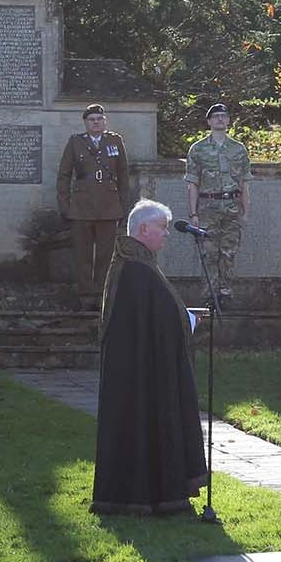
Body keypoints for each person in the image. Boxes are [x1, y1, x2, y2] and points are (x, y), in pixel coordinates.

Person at [91, 200, 208, 515]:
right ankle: (149, 496)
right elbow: (159, 316)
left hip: (140, 364)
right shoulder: (136, 269)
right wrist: (189, 320)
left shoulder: (137, 264)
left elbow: (155, 313)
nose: (166, 235)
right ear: (143, 229)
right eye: (162, 228)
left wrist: (182, 315)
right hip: (139, 368)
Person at [57, 104, 131, 297]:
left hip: (109, 207)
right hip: (82, 207)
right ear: (85, 123)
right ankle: (85, 295)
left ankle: (101, 295)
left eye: (99, 119)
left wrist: (123, 207)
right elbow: (64, 175)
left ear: (105, 121)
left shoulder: (115, 141)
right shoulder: (75, 142)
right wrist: (65, 205)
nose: (96, 122)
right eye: (92, 120)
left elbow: (123, 176)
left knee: (106, 256)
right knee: (83, 255)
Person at [183, 104, 250, 300]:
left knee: (228, 253)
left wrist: (246, 211)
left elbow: (244, 182)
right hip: (207, 207)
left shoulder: (238, 149)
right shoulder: (198, 149)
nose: (220, 119)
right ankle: (210, 296)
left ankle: (225, 293)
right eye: (216, 116)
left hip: (231, 206)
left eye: (224, 116)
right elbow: (192, 183)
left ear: (228, 120)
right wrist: (193, 213)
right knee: (209, 254)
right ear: (209, 121)